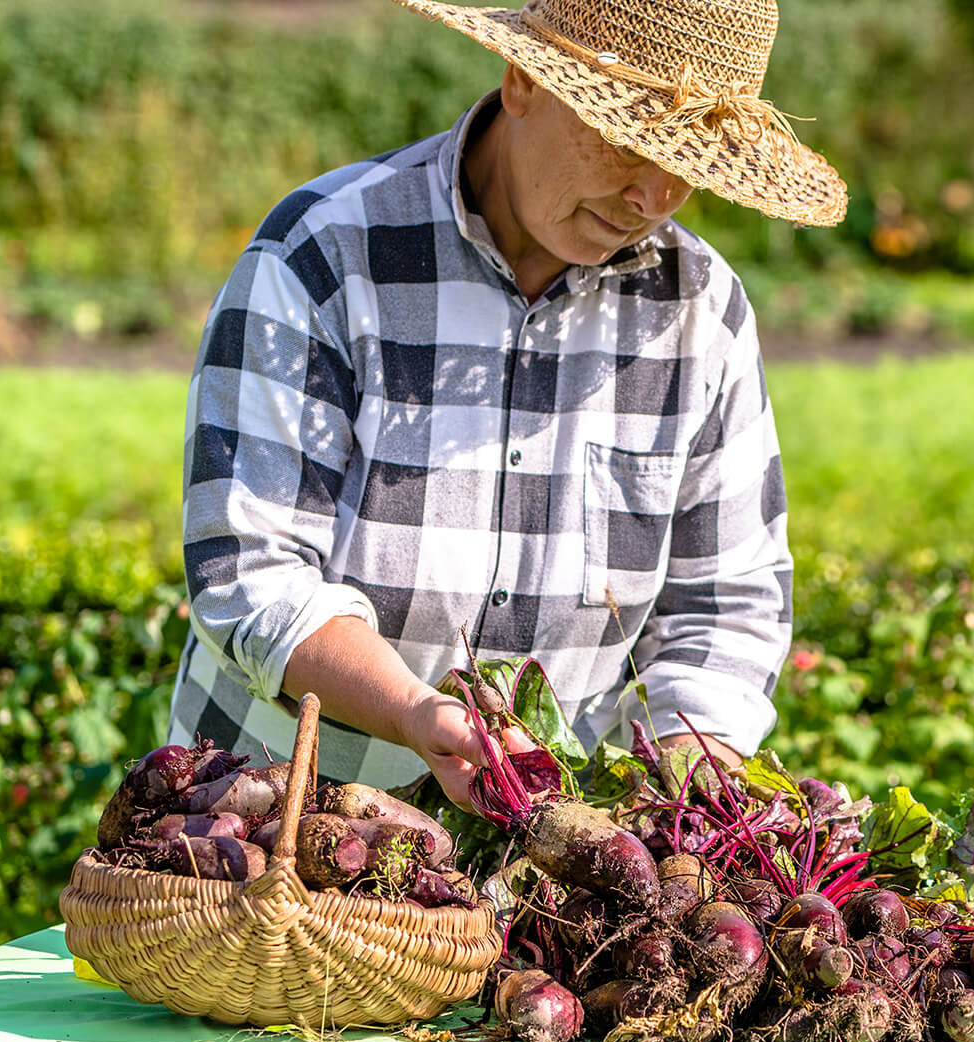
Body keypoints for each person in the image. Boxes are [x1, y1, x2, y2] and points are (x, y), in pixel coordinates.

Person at [167, 0, 846, 811]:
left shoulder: (699, 312)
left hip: (538, 863)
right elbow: (251, 571)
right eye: (629, 142)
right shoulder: (327, 255)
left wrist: (684, 783)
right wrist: (414, 712)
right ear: (523, 81)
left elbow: (726, 606)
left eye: (693, 161)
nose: (655, 193)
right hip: (276, 833)